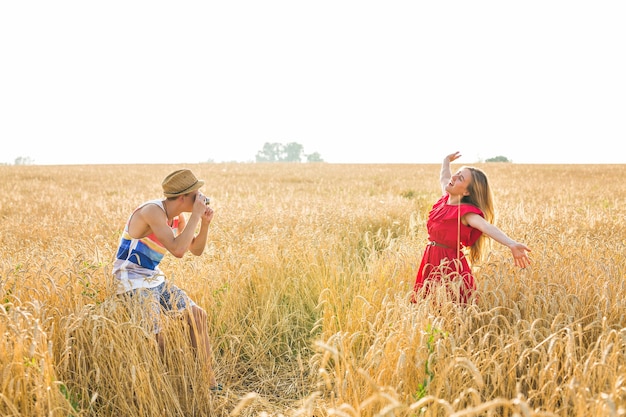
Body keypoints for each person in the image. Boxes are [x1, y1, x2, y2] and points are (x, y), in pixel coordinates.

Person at [112, 168, 220, 390]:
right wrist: (197, 216)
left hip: (152, 278)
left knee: (198, 316)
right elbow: (178, 251)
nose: (201, 198)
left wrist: (204, 224)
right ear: (183, 197)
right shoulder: (152, 211)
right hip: (130, 280)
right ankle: (163, 389)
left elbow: (194, 250)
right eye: (197, 194)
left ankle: (209, 384)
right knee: (156, 336)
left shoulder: (177, 217)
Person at [412, 151, 531, 304]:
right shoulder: (445, 200)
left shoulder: (466, 213)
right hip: (430, 260)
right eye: (456, 174)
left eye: (460, 178)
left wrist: (511, 244)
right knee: (427, 306)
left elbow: (486, 227)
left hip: (449, 266)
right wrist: (446, 161)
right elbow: (444, 177)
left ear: (467, 191)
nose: (453, 178)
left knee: (449, 309)